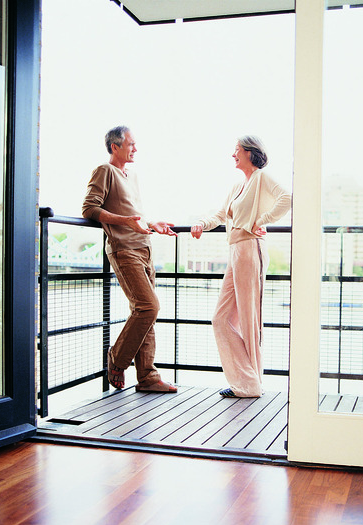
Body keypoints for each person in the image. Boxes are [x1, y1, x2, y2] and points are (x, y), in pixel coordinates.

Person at [191, 136, 291, 398]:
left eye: (236, 150)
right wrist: (202, 223)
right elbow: (222, 214)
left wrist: (263, 219)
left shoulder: (261, 177)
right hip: (236, 250)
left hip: (250, 249)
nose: (232, 155)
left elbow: (287, 198)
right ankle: (247, 381)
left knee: (249, 320)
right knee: (220, 319)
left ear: (249, 152)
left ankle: (250, 384)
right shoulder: (238, 186)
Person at [82, 125, 178, 393]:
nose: (136, 149)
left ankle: (147, 377)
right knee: (148, 307)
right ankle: (117, 359)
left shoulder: (131, 175)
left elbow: (133, 214)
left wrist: (151, 223)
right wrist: (126, 222)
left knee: (145, 314)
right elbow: (89, 208)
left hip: (144, 247)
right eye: (131, 144)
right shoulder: (105, 171)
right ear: (115, 146)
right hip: (123, 248)